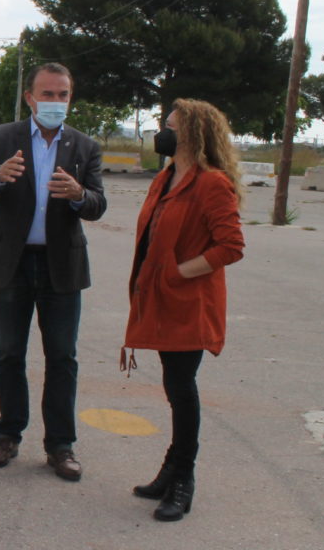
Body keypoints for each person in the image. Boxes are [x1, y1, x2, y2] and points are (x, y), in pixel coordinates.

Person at [0, 62, 107, 481]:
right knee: (9, 352)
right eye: (47, 94)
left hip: (61, 264)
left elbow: (99, 205)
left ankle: (60, 446)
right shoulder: (3, 137)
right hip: (10, 262)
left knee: (62, 357)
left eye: (62, 95)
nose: (55, 102)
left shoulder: (85, 146)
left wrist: (80, 195)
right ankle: (8, 434)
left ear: (70, 98)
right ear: (30, 98)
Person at [123, 98, 244, 521]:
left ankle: (182, 479)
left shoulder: (212, 184)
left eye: (171, 125)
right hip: (160, 301)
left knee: (181, 388)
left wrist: (176, 273)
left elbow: (230, 247)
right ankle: (170, 469)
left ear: (192, 134)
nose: (163, 131)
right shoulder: (165, 177)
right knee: (175, 387)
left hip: (189, 304)